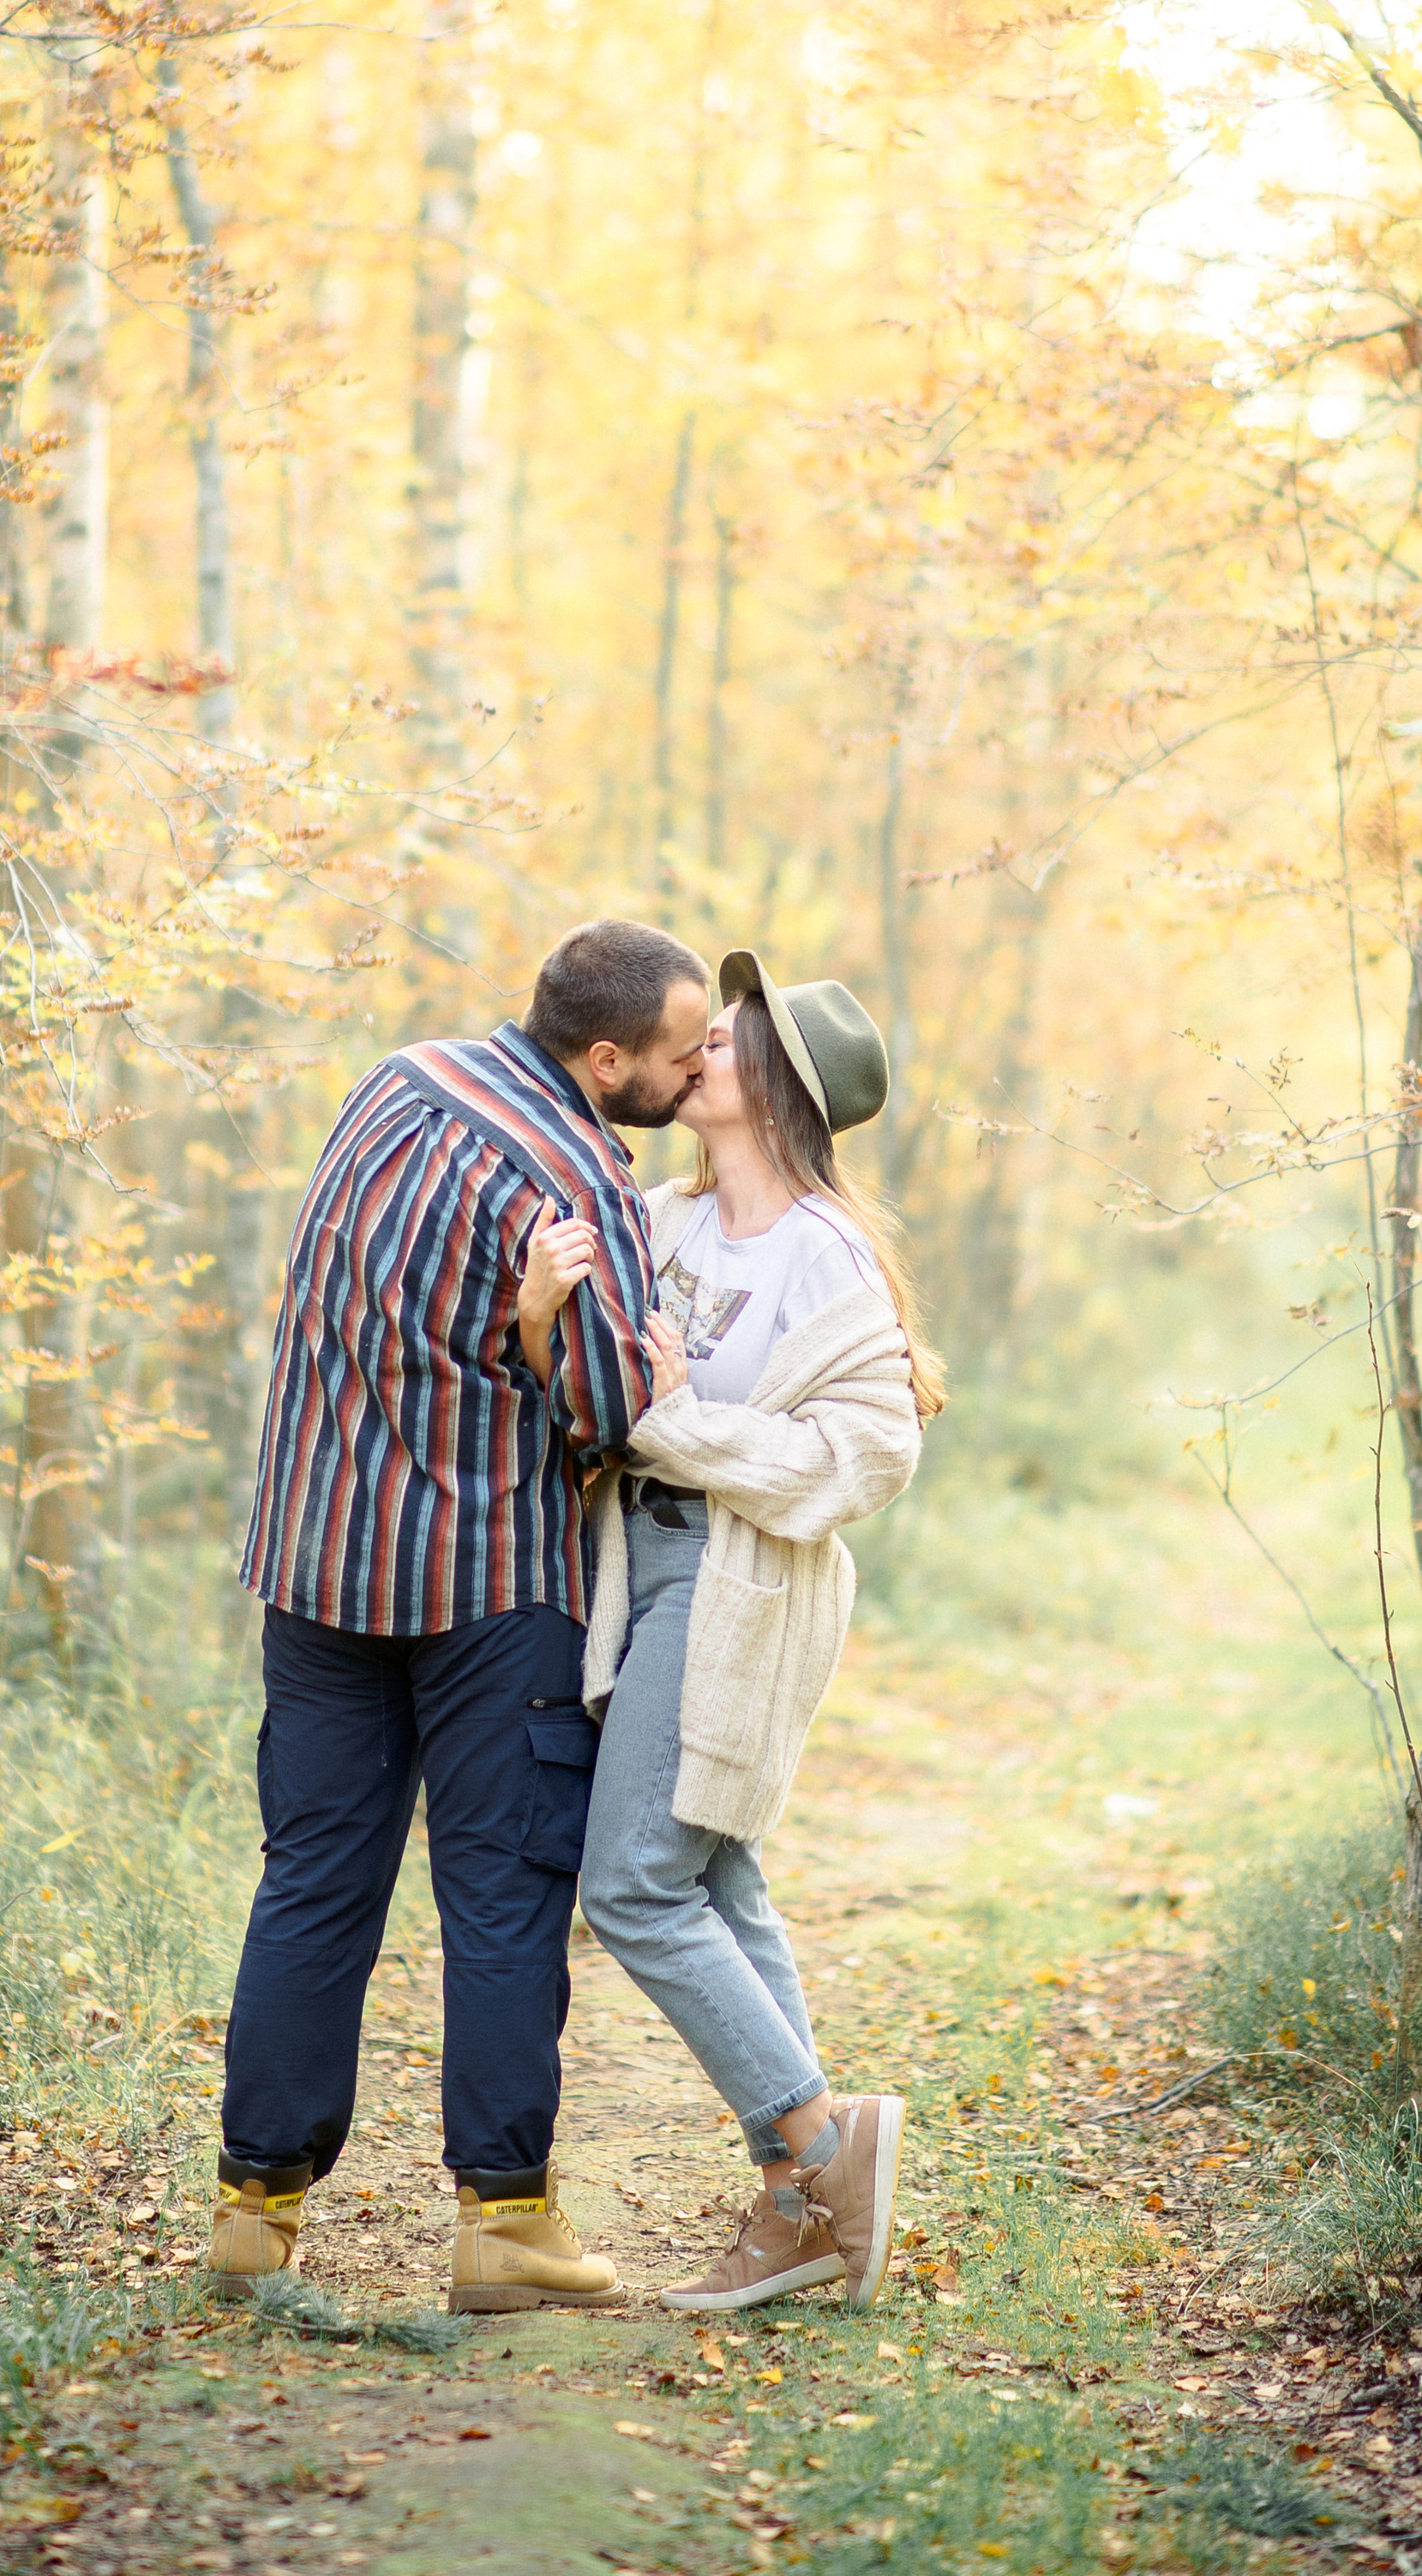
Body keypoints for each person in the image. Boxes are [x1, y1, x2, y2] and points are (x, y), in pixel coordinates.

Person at [213, 919, 711, 2314]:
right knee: (501, 1893)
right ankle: (505, 2229)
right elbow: (619, 1409)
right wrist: (578, 1351)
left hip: (318, 1558)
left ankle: (255, 2212)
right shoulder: (575, 1179)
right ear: (603, 1059)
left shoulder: (394, 1084)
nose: (688, 1081)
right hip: (490, 1583)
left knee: (313, 1880)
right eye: (675, 1059)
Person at [528, 949, 943, 2314]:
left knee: (635, 1884)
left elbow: (863, 1462)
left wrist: (675, 1425)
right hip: (634, 1565)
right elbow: (595, 1381)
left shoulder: (826, 1261)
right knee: (718, 1882)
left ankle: (826, 2144)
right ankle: (797, 2209)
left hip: (738, 1583)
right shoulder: (663, 1218)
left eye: (730, 1036)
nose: (699, 1044)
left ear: (779, 1088)